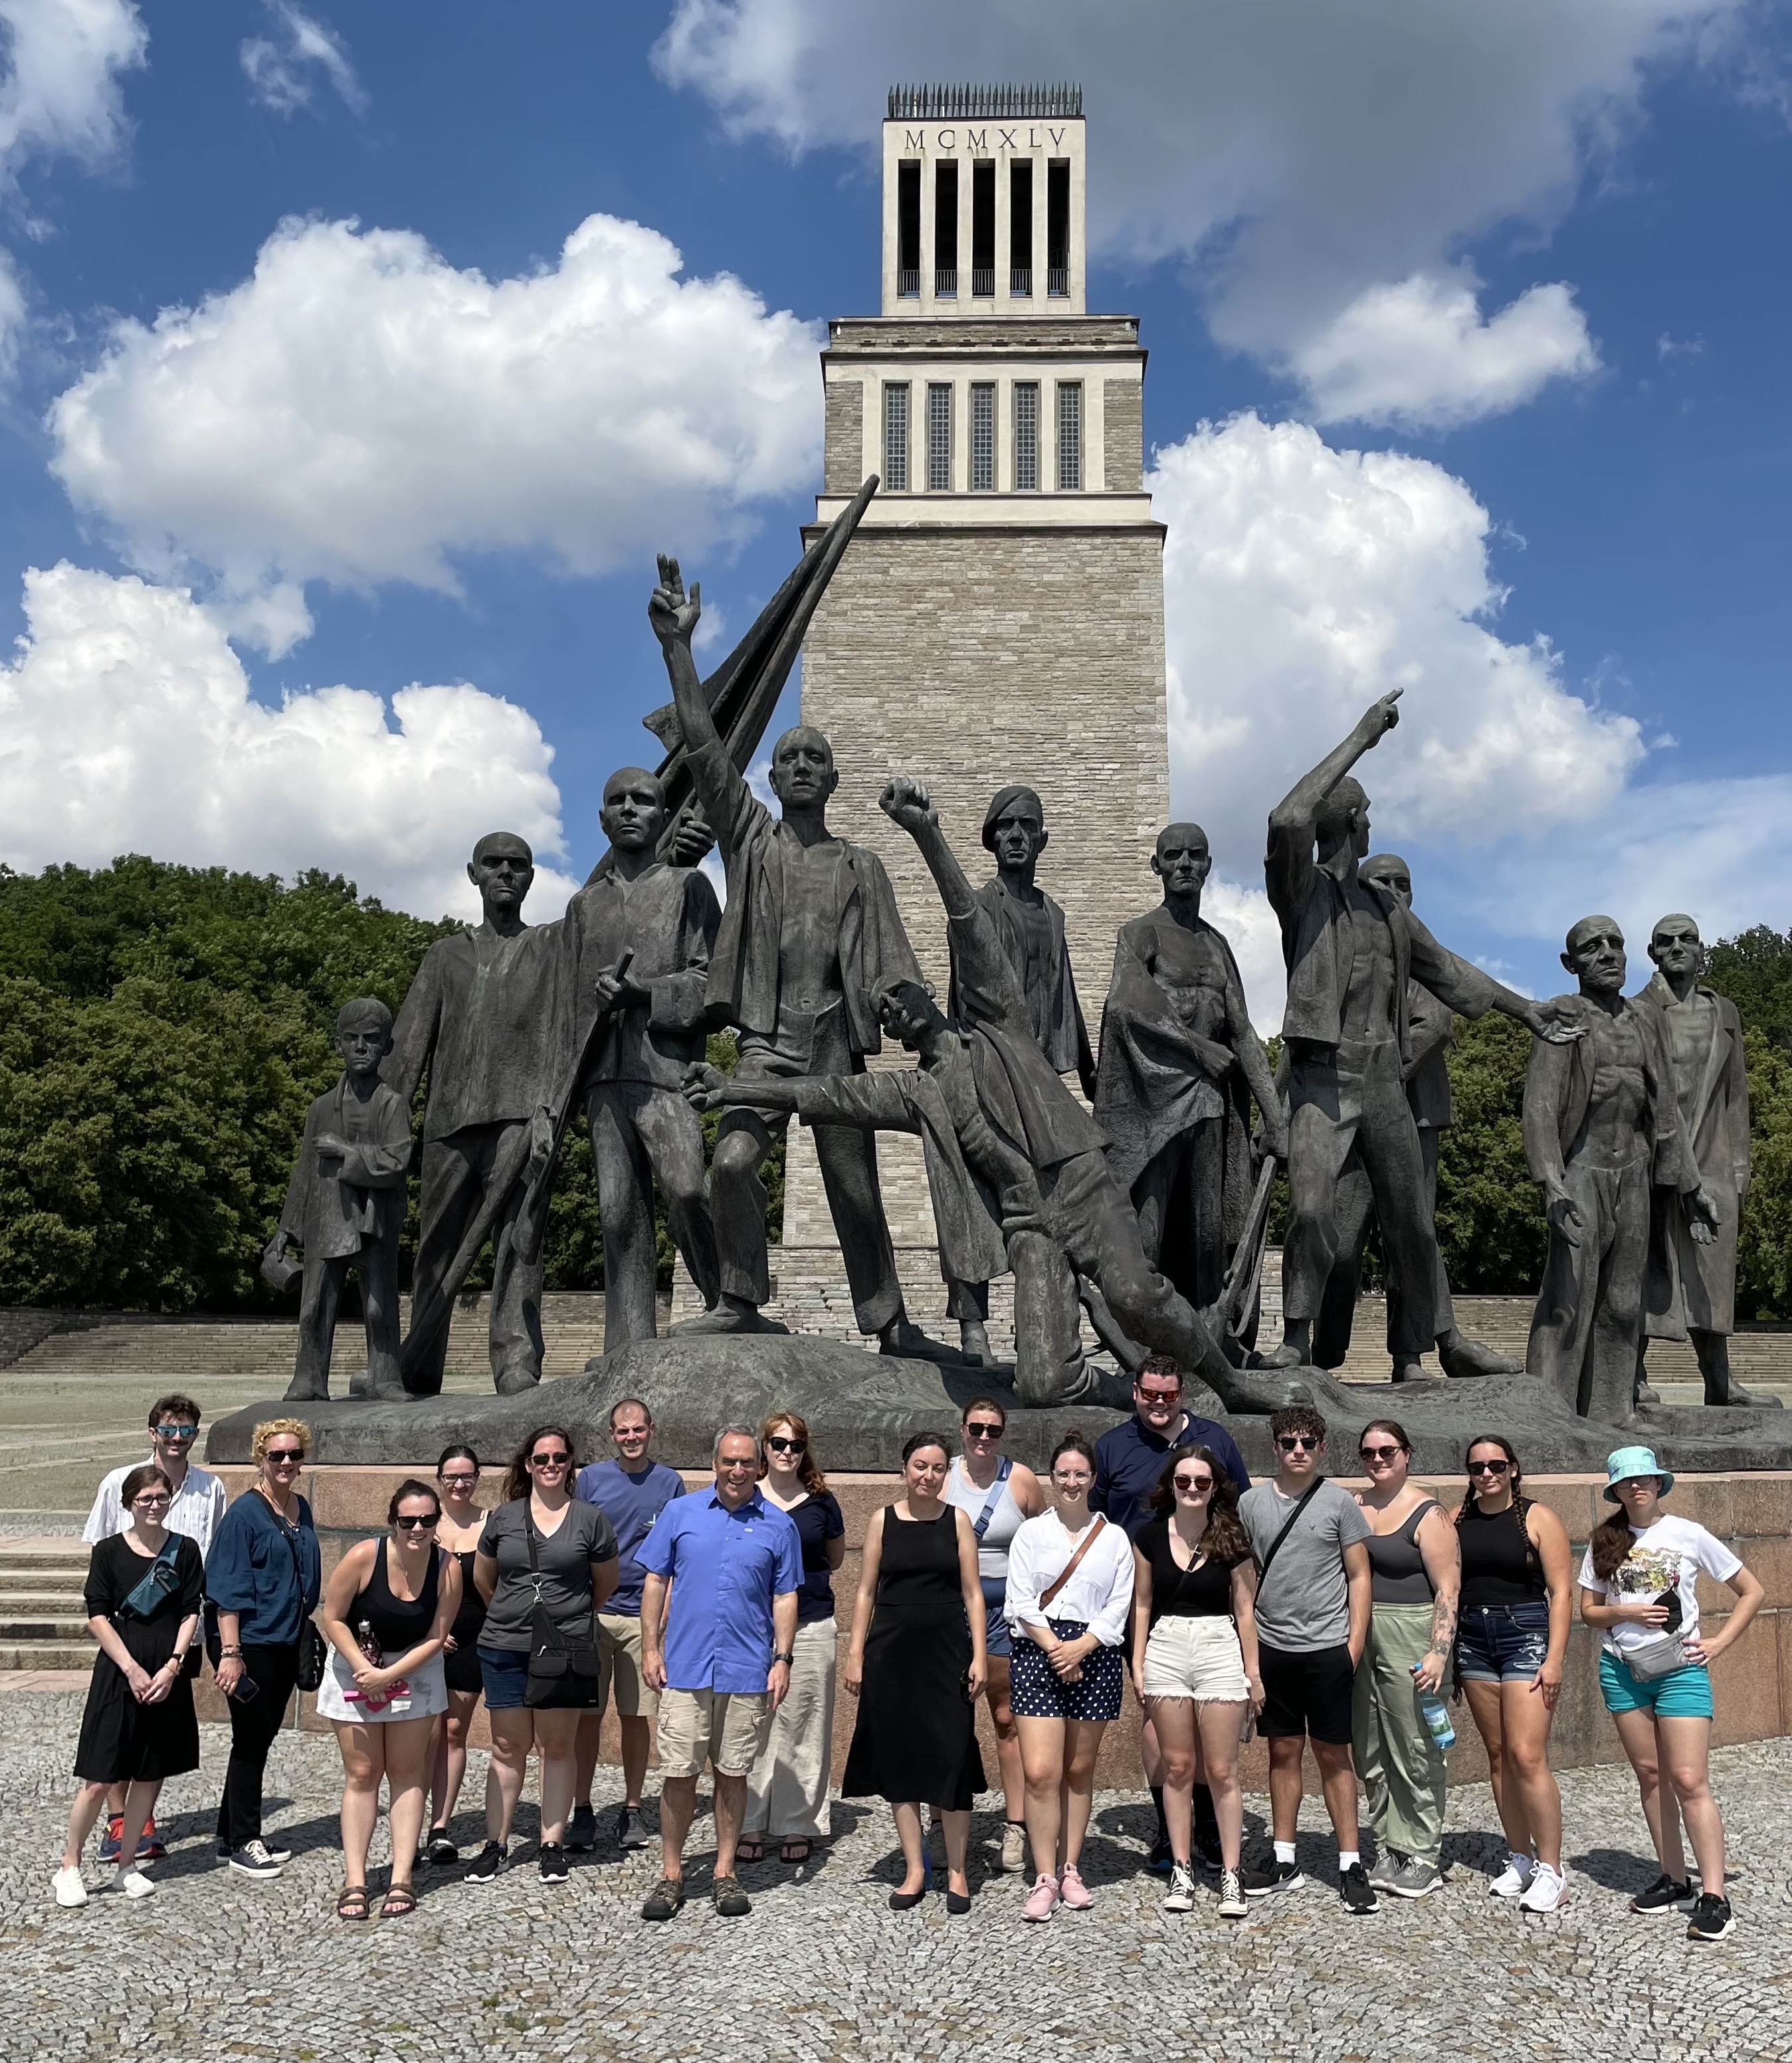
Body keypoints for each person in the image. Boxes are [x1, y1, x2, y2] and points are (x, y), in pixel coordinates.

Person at [650, 557, 940, 1358]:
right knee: (734, 1166)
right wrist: (679, 651)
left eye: (816, 758)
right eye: (789, 760)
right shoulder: (752, 844)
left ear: (834, 779)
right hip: (768, 1045)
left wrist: (920, 1025)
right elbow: (707, 753)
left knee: (855, 1188)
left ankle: (888, 1321)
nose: (803, 766)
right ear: (771, 781)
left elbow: (892, 964)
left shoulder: (861, 865)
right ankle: (741, 1298)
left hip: (835, 1046)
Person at [1264, 689, 1579, 1371]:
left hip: (1383, 1079)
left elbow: (1451, 972)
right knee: (1314, 1211)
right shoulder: (1304, 894)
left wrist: (1527, 1012)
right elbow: (1287, 815)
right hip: (1324, 1075)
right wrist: (1360, 736)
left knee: (1413, 1222)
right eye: (1367, 817)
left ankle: (1448, 1341)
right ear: (1349, 820)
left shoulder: (1388, 910)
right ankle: (1296, 1338)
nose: (1373, 829)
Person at [1312, 854, 1520, 1383]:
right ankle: (1324, 1353)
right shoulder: (1347, 953)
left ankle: (1410, 1355)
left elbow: (1436, 1022)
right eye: (1382, 883)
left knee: (1412, 1235)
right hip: (1346, 1118)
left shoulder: (1416, 956)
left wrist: (1377, 1073)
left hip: (1414, 1115)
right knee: (1338, 1241)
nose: (1393, 892)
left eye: (1402, 884)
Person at [383, 833, 569, 1395]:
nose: (506, 873)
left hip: (522, 1120)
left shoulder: (550, 948)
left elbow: (563, 1036)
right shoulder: (445, 956)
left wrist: (548, 1112)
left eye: (518, 865)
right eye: (494, 864)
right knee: (436, 1247)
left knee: (521, 1243)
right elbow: (408, 1047)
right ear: (473, 874)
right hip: (450, 1125)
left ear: (532, 878)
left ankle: (516, 1361)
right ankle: (418, 1366)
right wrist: (384, 1129)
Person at [1524, 916, 1718, 1423]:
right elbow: (1540, 1107)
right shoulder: (1563, 1016)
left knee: (1623, 1302)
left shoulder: (1643, 1018)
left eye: (1614, 943)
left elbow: (1666, 1106)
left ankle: (1611, 1414)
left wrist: (1690, 1185)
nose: (1607, 953)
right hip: (1582, 1171)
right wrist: (1550, 1180)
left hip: (1634, 1168)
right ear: (1571, 964)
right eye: (1592, 947)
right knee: (1567, 1298)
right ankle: (1550, 1412)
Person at [1096, 821, 1285, 1315]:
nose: (1184, 863)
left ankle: (1207, 1337)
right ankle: (1141, 1334)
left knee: (1209, 1229)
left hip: (1207, 1103)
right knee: (1148, 1227)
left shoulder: (1218, 945)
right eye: (1173, 855)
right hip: (1155, 1102)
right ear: (1155, 865)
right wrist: (1197, 1047)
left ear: (1207, 865)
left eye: (1194, 855)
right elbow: (1124, 1006)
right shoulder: (1140, 933)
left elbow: (1242, 1031)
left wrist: (1274, 1116)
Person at [563, 767, 723, 1351]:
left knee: (686, 1189)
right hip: (602, 1075)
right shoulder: (583, 906)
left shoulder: (688, 887)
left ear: (662, 815)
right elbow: (565, 1004)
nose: (629, 808)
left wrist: (645, 992)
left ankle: (728, 1300)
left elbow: (715, 980)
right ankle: (626, 1347)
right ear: (602, 818)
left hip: (664, 1071)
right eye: (617, 800)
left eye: (643, 800)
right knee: (617, 1215)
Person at [1578, 1445, 1765, 1942]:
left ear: (1659, 1483)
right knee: (1649, 1775)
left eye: (1645, 1478)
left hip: (1680, 1668)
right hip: (1620, 1667)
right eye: (1626, 1481)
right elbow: (1589, 1611)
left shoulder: (1688, 1533)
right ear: (1615, 1489)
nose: (1636, 1487)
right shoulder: (1604, 1539)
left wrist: (1719, 1642)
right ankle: (1673, 1878)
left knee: (1687, 1778)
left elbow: (1752, 1590)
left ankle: (1714, 1894)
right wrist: (1626, 1613)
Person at [946, 783, 1098, 1375]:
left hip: (1040, 1074)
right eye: (1003, 827)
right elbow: (965, 984)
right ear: (991, 841)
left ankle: (1053, 1330)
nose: (1013, 835)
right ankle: (971, 1324)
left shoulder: (1053, 913)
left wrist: (1086, 1070)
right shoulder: (979, 906)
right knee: (974, 1196)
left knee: (1051, 1204)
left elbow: (1067, 997)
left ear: (1041, 838)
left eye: (1023, 826)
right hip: (987, 1061)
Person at [637, 1425, 802, 1921]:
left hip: (746, 1668)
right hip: (685, 1667)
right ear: (714, 1463)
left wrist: (783, 1658)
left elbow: (785, 1595)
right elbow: (654, 1579)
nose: (737, 1470)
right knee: (679, 1774)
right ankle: (671, 1874)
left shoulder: (778, 1525)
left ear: (760, 1466)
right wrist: (650, 1648)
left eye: (746, 1462)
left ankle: (725, 1869)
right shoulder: (679, 1512)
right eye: (729, 1461)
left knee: (732, 1773)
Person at [1236, 1407, 1377, 1913]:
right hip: (1273, 1647)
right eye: (1289, 1441)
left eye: (1308, 1441)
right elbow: (1244, 1576)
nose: (1298, 1449)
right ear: (1274, 1447)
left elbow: (1359, 1576)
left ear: (1322, 1448)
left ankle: (1348, 1860)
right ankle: (1284, 1857)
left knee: (1335, 1755)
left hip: (1327, 1646)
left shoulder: (1339, 1503)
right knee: (1282, 1752)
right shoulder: (1250, 1503)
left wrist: (1352, 1646)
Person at [842, 1431, 987, 1915]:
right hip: (892, 1655)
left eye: (938, 1467)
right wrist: (856, 1653)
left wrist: (980, 1655)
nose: (928, 1475)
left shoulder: (957, 1520)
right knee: (901, 1759)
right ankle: (915, 1868)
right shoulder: (882, 1520)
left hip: (946, 1653)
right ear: (904, 1469)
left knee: (951, 1754)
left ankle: (960, 1870)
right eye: (920, 1466)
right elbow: (864, 1590)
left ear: (946, 1473)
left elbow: (972, 1593)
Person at [468, 1426, 619, 1885]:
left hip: (566, 1646)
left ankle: (551, 1842)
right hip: (506, 1644)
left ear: (570, 1463)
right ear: (528, 1465)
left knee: (557, 1747)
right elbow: (484, 1578)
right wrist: (518, 1614)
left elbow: (604, 1584)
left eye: (559, 1457)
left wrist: (565, 1618)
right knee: (507, 1747)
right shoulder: (505, 1517)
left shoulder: (590, 1519)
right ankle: (496, 1842)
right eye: (541, 1458)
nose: (550, 1465)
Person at [1635, 914, 1775, 1407]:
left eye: (1686, 939)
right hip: (1652, 1158)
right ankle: (1632, 1374)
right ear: (1651, 953)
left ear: (1700, 950)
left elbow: (1736, 1094)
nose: (1676, 947)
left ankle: (1718, 1381)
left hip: (1713, 1153)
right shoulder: (1636, 1011)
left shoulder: (1724, 1012)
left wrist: (1739, 1165)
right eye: (1664, 941)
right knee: (1647, 1264)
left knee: (1713, 1272)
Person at [81, 1391, 225, 1865]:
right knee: (120, 1729)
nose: (177, 1438)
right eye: (169, 1429)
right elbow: (102, 1555)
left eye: (186, 1430)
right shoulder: (117, 1482)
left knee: (156, 1734)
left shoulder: (212, 1488)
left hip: (181, 1633)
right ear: (153, 1432)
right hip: (128, 1633)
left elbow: (210, 1562)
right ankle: (121, 1821)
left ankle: (143, 1817)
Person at [53, 1465, 204, 1907]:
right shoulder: (108, 1551)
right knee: (100, 1776)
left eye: (161, 1496)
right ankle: (70, 1865)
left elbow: (192, 1608)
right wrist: (132, 1668)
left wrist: (174, 1665)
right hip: (120, 1671)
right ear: (129, 1503)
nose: (154, 1505)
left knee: (149, 1772)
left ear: (171, 1498)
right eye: (145, 1499)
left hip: (166, 1672)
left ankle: (126, 1864)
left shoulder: (186, 1549)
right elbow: (97, 1613)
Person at [1005, 1431, 1136, 1921]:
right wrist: (1058, 1649)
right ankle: (1043, 1875)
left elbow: (1119, 1603)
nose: (1072, 1482)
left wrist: (1083, 1645)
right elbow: (1018, 1601)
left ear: (1093, 1478)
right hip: (1039, 1650)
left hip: (1094, 1652)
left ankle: (1070, 1866)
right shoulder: (1030, 1534)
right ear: (1051, 1476)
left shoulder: (1115, 1538)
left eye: (1081, 1473)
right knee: (1041, 1771)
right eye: (1063, 1473)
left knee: (1079, 1770)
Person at [318, 1479, 460, 1919]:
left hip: (412, 1669)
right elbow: (333, 1615)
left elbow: (438, 1634)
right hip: (356, 1663)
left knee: (406, 1771)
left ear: (437, 1521)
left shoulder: (448, 1567)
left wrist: (389, 1675)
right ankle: (356, 1878)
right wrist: (365, 1668)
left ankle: (401, 1875)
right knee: (362, 1771)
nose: (417, 1528)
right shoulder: (365, 1555)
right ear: (392, 1521)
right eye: (407, 1520)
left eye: (427, 1519)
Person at [1130, 1444, 1261, 1920]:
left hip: (1218, 1645)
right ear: (1170, 1485)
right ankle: (1181, 1869)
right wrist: (1139, 1663)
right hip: (1165, 1645)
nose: (1190, 1489)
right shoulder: (1146, 1537)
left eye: (1200, 1482)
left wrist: (1253, 1673)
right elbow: (1141, 1605)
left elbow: (1246, 1611)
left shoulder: (1231, 1536)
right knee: (1178, 1767)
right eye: (1182, 1481)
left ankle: (1230, 1873)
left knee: (1222, 1769)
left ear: (1213, 1488)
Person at [262, 997, 412, 1401]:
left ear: (387, 1047)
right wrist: (286, 1229)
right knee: (314, 1307)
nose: (361, 1047)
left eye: (371, 1039)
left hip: (374, 1219)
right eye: (352, 1039)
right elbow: (304, 1170)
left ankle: (385, 1378)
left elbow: (398, 1162)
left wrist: (347, 1151)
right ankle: (309, 1379)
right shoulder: (320, 1107)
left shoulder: (393, 1104)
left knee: (380, 1309)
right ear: (339, 1045)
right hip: (327, 1217)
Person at [1454, 1434, 1575, 1913]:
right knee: (1499, 1754)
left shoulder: (1536, 1516)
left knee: (1527, 1755)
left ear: (1513, 1468)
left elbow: (1562, 1593)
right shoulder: (1457, 1519)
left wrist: (1555, 1658)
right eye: (1478, 1466)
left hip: (1524, 1632)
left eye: (1496, 1465)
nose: (1487, 1473)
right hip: (1473, 1637)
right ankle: (1520, 1856)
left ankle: (1552, 1869)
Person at [207, 1417, 322, 1879]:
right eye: (277, 1455)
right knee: (251, 1740)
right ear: (260, 1457)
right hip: (250, 1644)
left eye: (295, 1454)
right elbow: (227, 1589)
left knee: (258, 1738)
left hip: (286, 1638)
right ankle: (243, 1841)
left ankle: (227, 1833)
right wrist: (231, 1653)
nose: (287, 1463)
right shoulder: (243, 1514)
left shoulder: (300, 1507)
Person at [569, 1399, 686, 1852]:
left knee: (638, 1718)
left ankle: (633, 1807)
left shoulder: (669, 1481)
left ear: (651, 1430)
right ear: (611, 1434)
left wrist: (664, 1617)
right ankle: (581, 1808)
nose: (631, 1437)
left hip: (644, 1617)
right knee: (587, 1717)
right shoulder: (592, 1479)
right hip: (594, 1613)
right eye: (623, 1431)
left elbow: (676, 1554)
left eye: (638, 1430)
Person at [1351, 1419, 1460, 1899]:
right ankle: (1387, 1843)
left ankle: (1422, 1852)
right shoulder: (1354, 1505)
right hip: (1360, 1630)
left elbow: (1448, 1588)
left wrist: (1437, 1653)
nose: (1378, 1459)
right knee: (1370, 1743)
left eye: (1387, 1451)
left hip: (1410, 1629)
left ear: (1407, 1453)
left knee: (1415, 1744)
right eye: (1369, 1452)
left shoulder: (1428, 1513)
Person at [941, 1396, 1046, 1873]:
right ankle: (943, 1818)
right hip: (952, 1609)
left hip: (1004, 1609)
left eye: (993, 1430)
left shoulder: (1020, 1479)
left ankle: (1016, 1823)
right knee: (945, 1720)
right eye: (976, 1428)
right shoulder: (942, 1476)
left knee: (1006, 1716)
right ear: (962, 1429)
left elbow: (1042, 1541)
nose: (984, 1438)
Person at [742, 1412, 845, 1864]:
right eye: (778, 1442)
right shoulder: (745, 1498)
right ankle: (748, 1821)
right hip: (751, 1627)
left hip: (810, 1623)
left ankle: (797, 1821)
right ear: (763, 1447)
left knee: (804, 1722)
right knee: (750, 1724)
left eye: (796, 1444)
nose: (787, 1451)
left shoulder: (822, 1502)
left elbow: (834, 1559)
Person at [423, 1445, 488, 1863]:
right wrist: (432, 1631)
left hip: (474, 1640)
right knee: (421, 1735)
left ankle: (440, 1825)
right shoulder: (423, 1522)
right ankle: (411, 1817)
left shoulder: (491, 1523)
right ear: (440, 1480)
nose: (459, 1484)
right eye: (451, 1477)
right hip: (426, 1642)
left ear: (477, 1477)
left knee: (452, 1731)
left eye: (467, 1476)